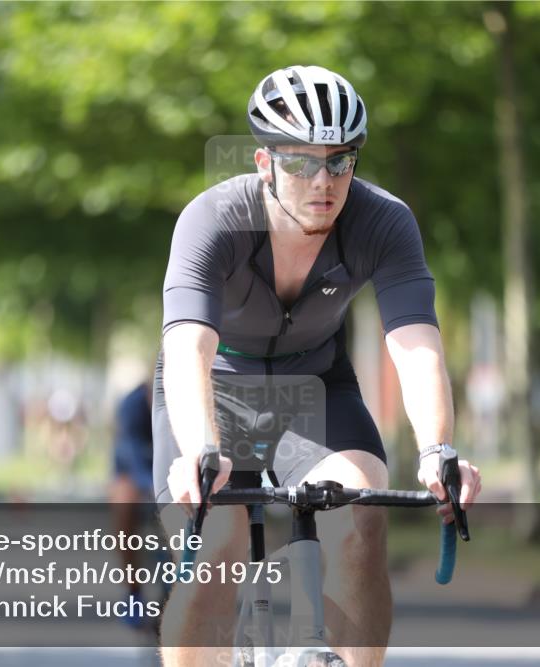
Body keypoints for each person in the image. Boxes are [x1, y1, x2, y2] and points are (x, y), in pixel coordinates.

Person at [152, 65, 481, 666]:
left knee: (361, 514)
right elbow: (188, 348)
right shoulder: (213, 219)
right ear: (263, 162)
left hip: (317, 385)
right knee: (217, 540)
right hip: (215, 387)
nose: (323, 180)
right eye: (302, 162)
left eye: (340, 161)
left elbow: (415, 345)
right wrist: (201, 448)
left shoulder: (383, 220)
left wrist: (438, 450)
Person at [109, 381, 156, 628]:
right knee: (123, 504)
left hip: (168, 469)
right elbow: (133, 456)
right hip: (131, 470)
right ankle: (133, 592)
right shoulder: (132, 405)